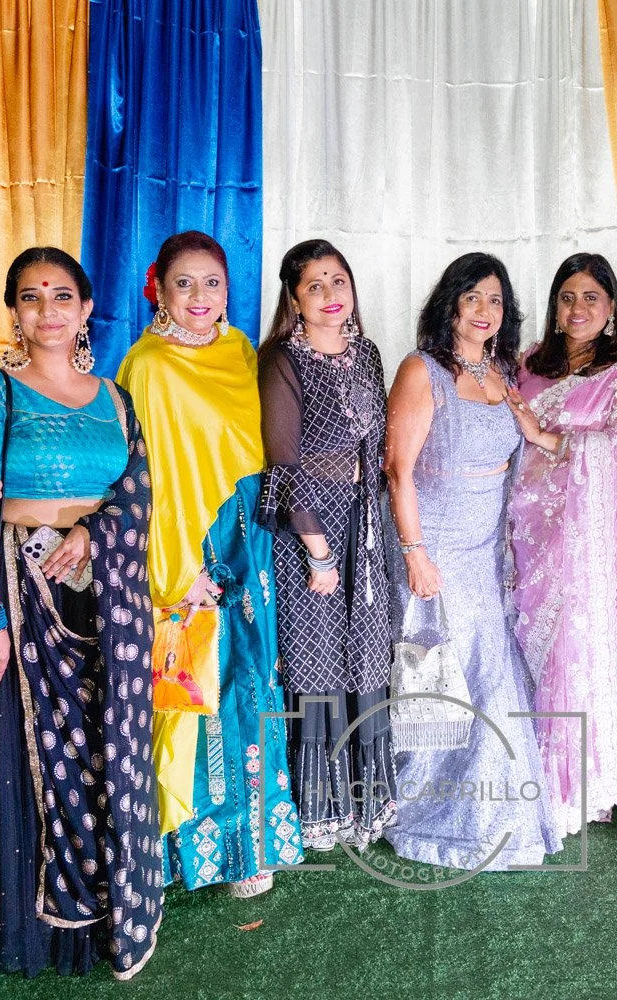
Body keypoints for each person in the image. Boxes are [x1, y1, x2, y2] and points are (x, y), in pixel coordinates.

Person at [0, 247, 161, 979]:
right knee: (45, 757)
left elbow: (137, 492)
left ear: (84, 309)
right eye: (32, 297)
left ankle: (118, 909)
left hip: (106, 596)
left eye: (62, 295)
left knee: (114, 748)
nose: (48, 310)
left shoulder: (115, 397)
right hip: (23, 592)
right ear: (14, 310)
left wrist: (89, 533)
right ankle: (52, 927)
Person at [117, 230, 304, 898]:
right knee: (193, 698)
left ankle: (250, 847)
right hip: (187, 555)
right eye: (184, 284)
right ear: (160, 292)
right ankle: (190, 853)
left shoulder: (238, 351)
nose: (200, 297)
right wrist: (174, 571)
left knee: (252, 689)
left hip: (247, 544)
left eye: (213, 283)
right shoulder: (148, 366)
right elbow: (147, 479)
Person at [383, 252, 562, 870]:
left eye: (496, 300)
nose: (485, 311)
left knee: (494, 680)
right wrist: (415, 554)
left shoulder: (503, 375)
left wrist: (539, 435)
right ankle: (428, 817)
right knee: (441, 682)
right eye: (473, 298)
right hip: (434, 550)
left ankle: (498, 819)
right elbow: (398, 470)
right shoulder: (421, 370)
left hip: (487, 555)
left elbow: (531, 450)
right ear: (450, 304)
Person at [257, 239, 397, 851]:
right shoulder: (282, 360)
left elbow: (379, 447)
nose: (329, 295)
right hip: (310, 528)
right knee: (317, 660)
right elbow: (283, 461)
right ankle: (322, 807)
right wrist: (316, 549)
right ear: (293, 299)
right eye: (314, 285)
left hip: (366, 525)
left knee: (366, 653)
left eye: (337, 280)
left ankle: (370, 802)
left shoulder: (367, 354)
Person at [506, 252, 617, 840]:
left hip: (583, 541)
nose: (579, 308)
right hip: (520, 528)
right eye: (568, 296)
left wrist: (548, 435)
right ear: (554, 306)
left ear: (612, 308)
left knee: (571, 645)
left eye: (592, 297)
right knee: (523, 642)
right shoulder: (523, 366)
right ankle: (523, 769)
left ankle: (570, 787)